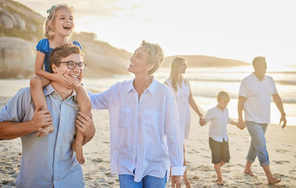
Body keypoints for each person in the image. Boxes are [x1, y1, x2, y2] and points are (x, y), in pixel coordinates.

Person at [0, 44, 95, 188]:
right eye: (70, 64)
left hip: (72, 182)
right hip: (34, 183)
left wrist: (90, 133)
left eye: (80, 65)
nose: (77, 69)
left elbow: (78, 142)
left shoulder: (83, 101)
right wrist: (32, 125)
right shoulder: (27, 96)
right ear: (55, 67)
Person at [88, 41, 185, 188]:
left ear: (150, 65)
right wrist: (75, 83)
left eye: (138, 56)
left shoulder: (164, 94)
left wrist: (177, 169)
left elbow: (173, 134)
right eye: (134, 54)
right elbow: (94, 101)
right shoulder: (119, 90)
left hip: (155, 165)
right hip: (127, 164)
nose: (132, 58)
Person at [29, 4, 92, 164]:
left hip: (70, 79)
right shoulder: (44, 44)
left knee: (86, 102)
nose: (68, 21)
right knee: (34, 82)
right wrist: (55, 77)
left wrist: (77, 83)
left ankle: (78, 142)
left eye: (70, 18)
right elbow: (38, 70)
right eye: (63, 18)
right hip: (50, 76)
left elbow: (79, 69)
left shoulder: (75, 45)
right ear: (51, 24)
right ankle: (47, 123)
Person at [237, 56, 287, 185]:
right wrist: (240, 119)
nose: (264, 67)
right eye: (261, 65)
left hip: (265, 119)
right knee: (261, 145)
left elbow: (276, 97)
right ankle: (269, 176)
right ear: (255, 66)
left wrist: (283, 113)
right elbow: (241, 101)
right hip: (251, 119)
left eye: (265, 64)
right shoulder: (247, 81)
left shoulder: (269, 80)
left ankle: (247, 168)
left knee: (255, 144)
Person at [165, 57, 203, 188]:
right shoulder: (167, 84)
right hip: (173, 120)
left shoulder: (187, 82)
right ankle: (184, 180)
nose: (186, 67)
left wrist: (200, 114)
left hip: (185, 119)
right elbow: (164, 105)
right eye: (183, 65)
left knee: (177, 149)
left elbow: (190, 99)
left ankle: (175, 177)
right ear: (177, 67)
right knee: (180, 150)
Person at [199, 91, 238, 186]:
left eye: (226, 103)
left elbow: (228, 120)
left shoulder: (226, 110)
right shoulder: (212, 111)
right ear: (218, 101)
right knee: (216, 160)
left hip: (224, 138)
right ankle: (220, 179)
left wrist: (237, 124)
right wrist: (201, 121)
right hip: (214, 139)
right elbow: (203, 122)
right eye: (223, 102)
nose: (225, 105)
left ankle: (217, 167)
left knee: (226, 159)